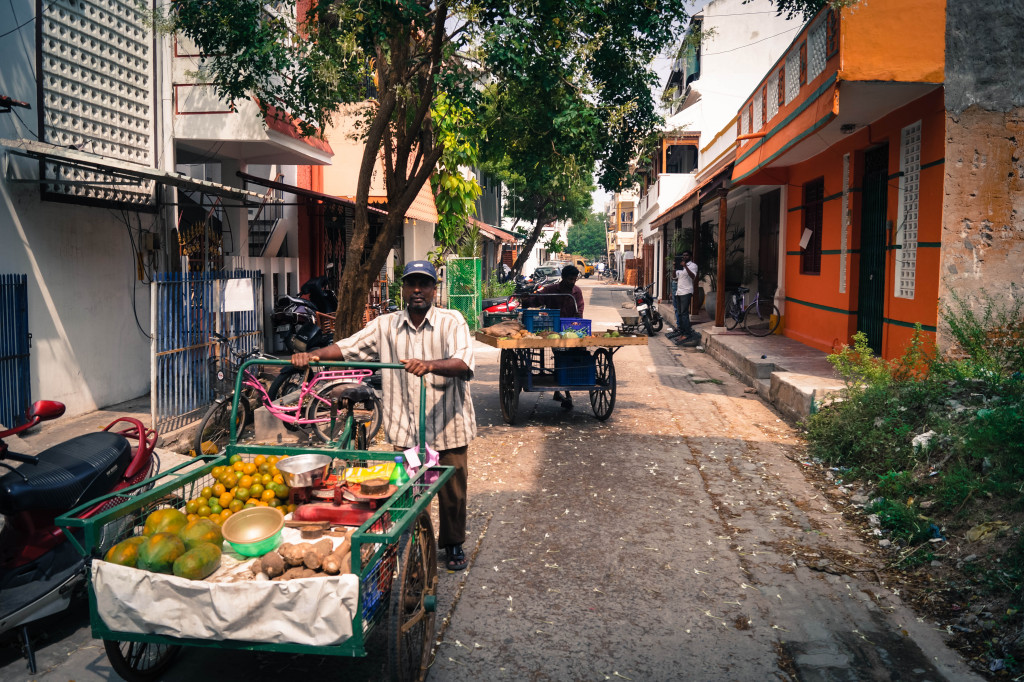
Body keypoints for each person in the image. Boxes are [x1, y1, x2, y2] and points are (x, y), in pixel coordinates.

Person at [290, 260, 476, 571]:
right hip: (407, 429)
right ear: (403, 289)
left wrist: (430, 365)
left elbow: (464, 362)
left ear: (434, 289)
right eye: (411, 284)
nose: (418, 290)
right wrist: (312, 355)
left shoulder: (451, 321)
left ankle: (453, 542)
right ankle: (419, 542)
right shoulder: (385, 325)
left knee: (453, 491)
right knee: (409, 494)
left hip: (448, 424)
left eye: (425, 284)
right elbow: (349, 348)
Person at [526, 265, 584, 409]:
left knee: (573, 356)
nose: (573, 282)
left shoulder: (577, 291)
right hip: (552, 331)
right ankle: (565, 392)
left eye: (575, 279)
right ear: (563, 278)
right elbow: (536, 300)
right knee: (560, 356)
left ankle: (562, 389)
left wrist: (577, 326)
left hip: (571, 329)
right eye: (570, 279)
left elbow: (580, 310)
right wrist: (526, 299)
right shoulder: (551, 290)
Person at [670, 251, 698, 343]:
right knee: (680, 313)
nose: (685, 257)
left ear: (690, 256)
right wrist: (674, 267)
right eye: (683, 255)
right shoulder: (680, 266)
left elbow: (693, 276)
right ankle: (682, 333)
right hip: (679, 292)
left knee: (684, 313)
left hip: (686, 292)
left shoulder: (693, 266)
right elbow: (674, 277)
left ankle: (687, 334)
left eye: (686, 255)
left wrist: (685, 266)